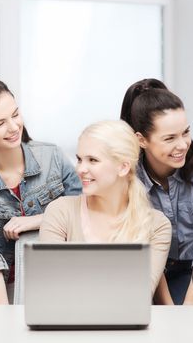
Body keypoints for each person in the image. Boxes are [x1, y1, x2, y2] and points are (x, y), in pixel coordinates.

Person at [0, 78, 81, 304]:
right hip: (3, 288)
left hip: (62, 280)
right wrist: (4, 314)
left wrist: (39, 219)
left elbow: (86, 211)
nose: (13, 127)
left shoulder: (53, 158)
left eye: (15, 114)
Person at [39, 120, 171, 296]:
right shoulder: (60, 211)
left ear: (123, 167)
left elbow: (139, 295)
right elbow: (52, 286)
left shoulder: (157, 225)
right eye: (79, 159)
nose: (80, 169)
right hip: (69, 322)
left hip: (127, 322)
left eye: (92, 160)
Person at [121, 79, 193, 305]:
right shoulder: (128, 173)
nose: (183, 145)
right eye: (169, 138)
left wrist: (190, 302)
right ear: (141, 140)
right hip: (152, 272)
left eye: (185, 132)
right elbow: (144, 246)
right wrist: (171, 310)